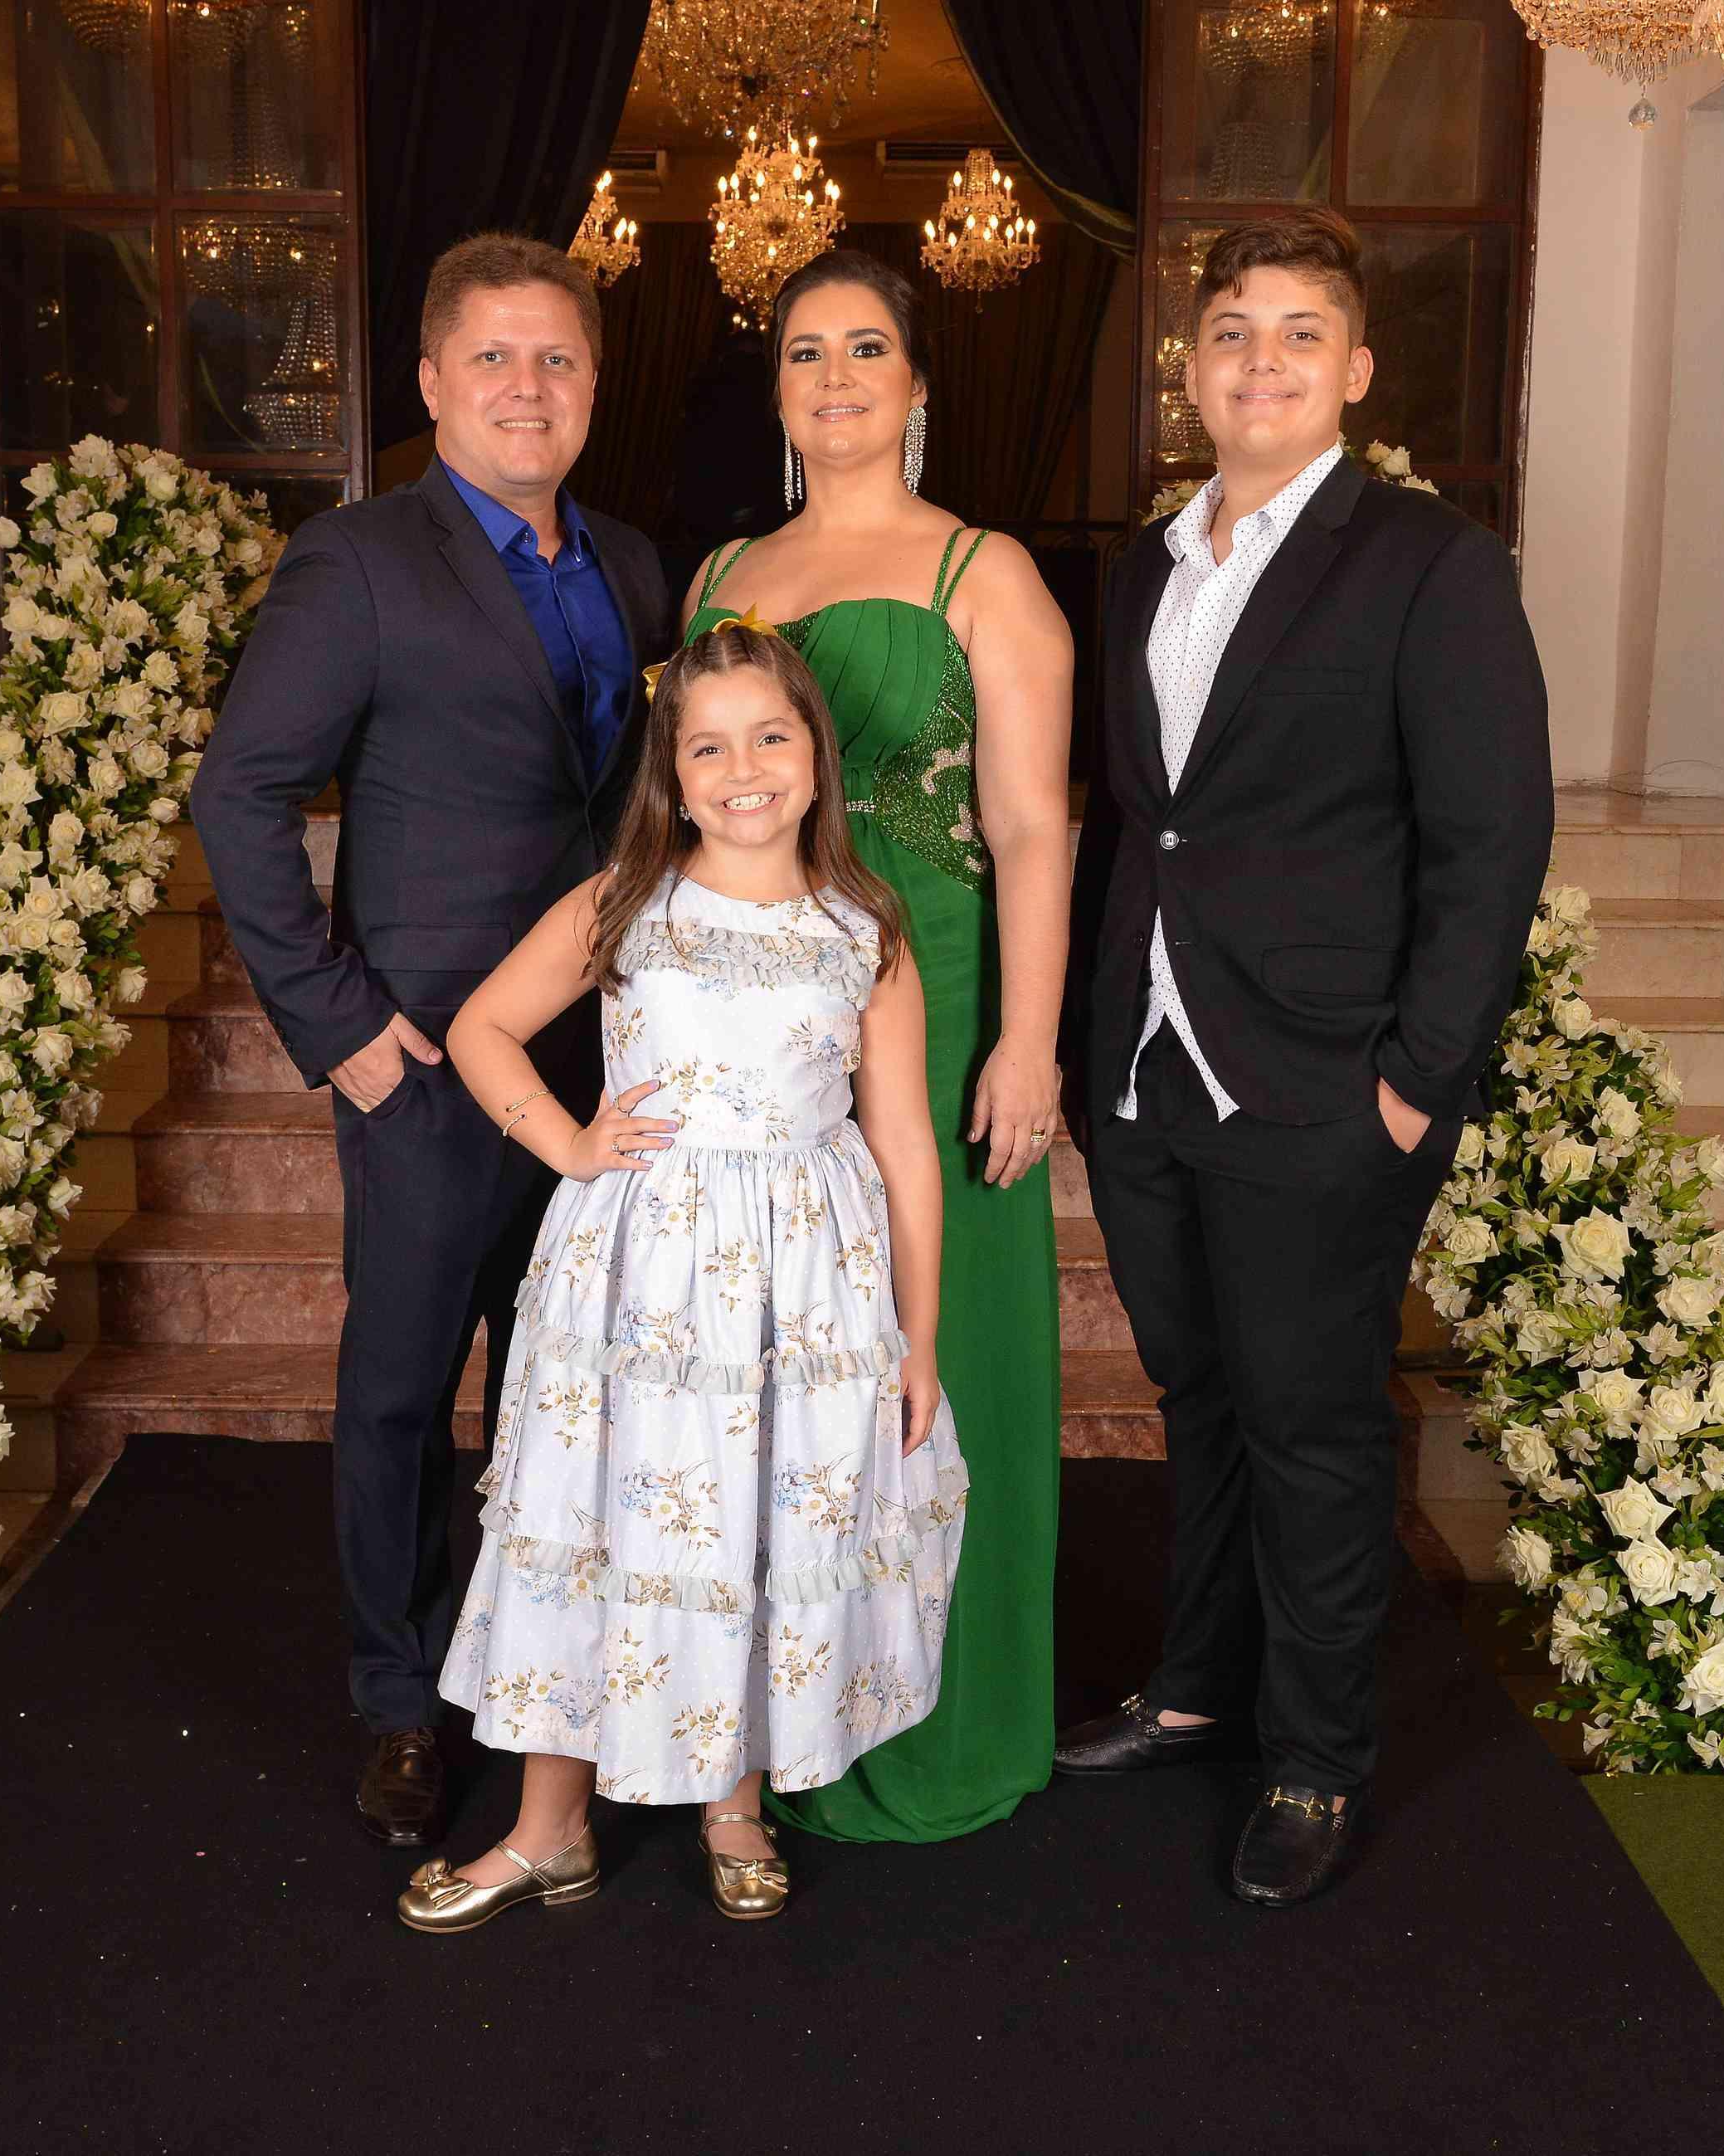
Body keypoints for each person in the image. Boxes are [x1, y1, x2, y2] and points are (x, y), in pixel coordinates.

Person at [1056, 208, 1554, 1907]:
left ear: (1353, 369)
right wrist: (1092, 1049)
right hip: (1148, 1068)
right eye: (1229, 332)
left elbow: (1490, 838)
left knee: (1312, 1423)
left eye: (1295, 333)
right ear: (1190, 369)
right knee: (1201, 1402)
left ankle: (1315, 1758)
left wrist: (1414, 1078)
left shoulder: (1429, 561)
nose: (1257, 360)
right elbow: (1146, 822)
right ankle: (1199, 1688)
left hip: (1329, 1080)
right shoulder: (1146, 565)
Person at [190, 233, 676, 1851]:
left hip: (602, 1058)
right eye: (493, 358)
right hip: (421, 1063)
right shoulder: (356, 562)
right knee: (402, 1391)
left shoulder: (632, 564)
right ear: (430, 381)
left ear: (592, 384)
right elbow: (239, 794)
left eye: (556, 359)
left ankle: (546, 1673)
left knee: (569, 1381)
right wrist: (338, 1023)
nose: (526, 388)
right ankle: (402, 1698)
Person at [395, 620, 962, 1934]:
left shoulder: (863, 929)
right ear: (674, 774)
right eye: (709, 747)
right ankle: (548, 1826)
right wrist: (570, 1143)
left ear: (816, 755)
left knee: (760, 1515)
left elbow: (904, 1142)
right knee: (599, 1519)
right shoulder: (625, 906)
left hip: (804, 1287)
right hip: (639, 1284)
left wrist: (917, 1334)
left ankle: (733, 1801)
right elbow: (483, 1027)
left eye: (770, 736)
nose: (744, 768)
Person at [681, 247, 1074, 1844]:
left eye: (864, 350)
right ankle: (787, 1722)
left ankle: (952, 1719)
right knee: (788, 1357)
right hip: (762, 1023)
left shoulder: (985, 570)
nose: (833, 378)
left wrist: (1029, 1040)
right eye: (803, 352)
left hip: (946, 994)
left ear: (916, 384)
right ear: (775, 387)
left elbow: (1033, 828)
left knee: (943, 1347)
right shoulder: (723, 572)